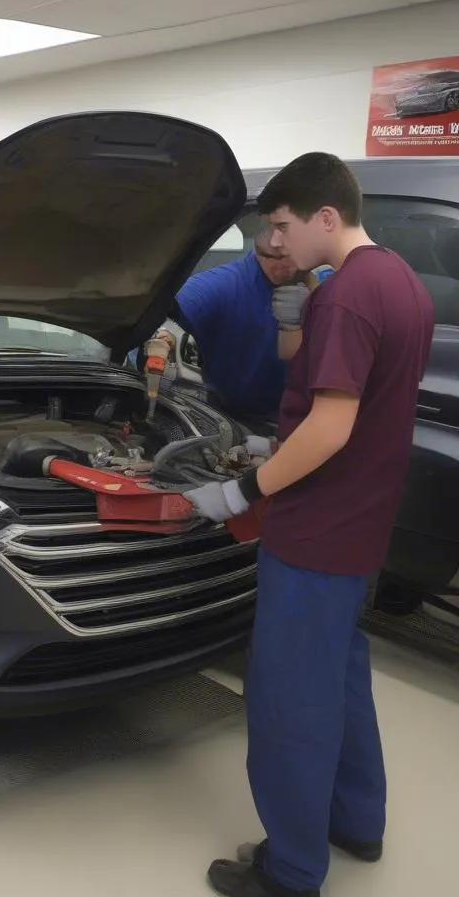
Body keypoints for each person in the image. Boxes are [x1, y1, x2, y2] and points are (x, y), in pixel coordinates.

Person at [184, 153, 434, 897]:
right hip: (363, 526)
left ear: (328, 216)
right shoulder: (401, 282)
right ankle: (358, 820)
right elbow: (369, 412)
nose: (277, 245)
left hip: (315, 533)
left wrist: (242, 491)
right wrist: (273, 441)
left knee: (290, 695)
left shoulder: (347, 297)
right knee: (343, 675)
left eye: (285, 227)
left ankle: (290, 869)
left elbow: (329, 428)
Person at [143, 226, 323, 421]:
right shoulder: (224, 285)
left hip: (299, 414)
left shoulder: (323, 285)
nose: (281, 265)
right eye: (271, 256)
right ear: (257, 249)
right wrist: (164, 334)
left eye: (288, 256)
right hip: (229, 416)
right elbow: (169, 314)